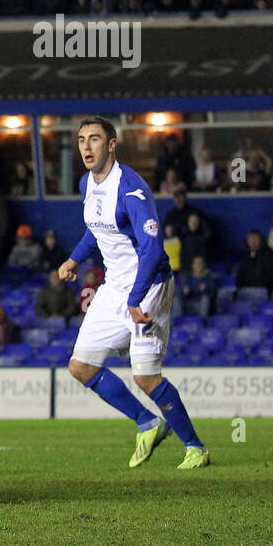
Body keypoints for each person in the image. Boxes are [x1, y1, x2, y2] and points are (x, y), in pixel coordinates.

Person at [59, 116, 208, 470]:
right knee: (80, 366)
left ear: (112, 144)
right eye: (82, 140)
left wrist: (134, 300)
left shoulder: (131, 189)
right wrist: (74, 258)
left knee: (145, 377)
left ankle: (195, 447)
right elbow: (97, 229)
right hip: (115, 286)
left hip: (149, 286)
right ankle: (147, 422)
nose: (86, 147)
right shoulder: (87, 184)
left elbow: (153, 250)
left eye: (95, 139)